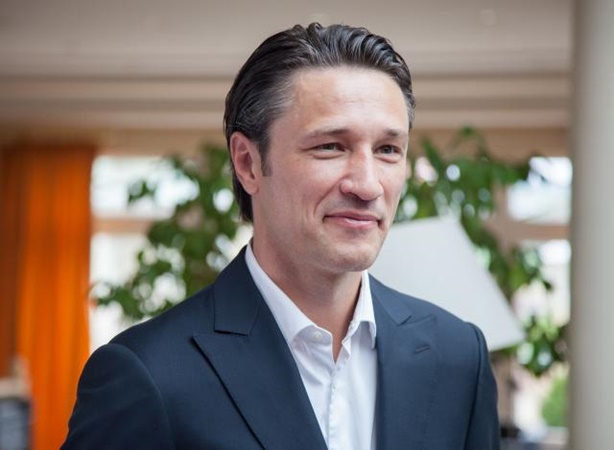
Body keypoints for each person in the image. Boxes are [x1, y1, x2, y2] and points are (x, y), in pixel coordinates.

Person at [62, 23, 499, 449]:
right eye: (330, 147)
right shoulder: (148, 374)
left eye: (388, 150)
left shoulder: (459, 357)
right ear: (248, 163)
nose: (368, 186)